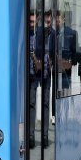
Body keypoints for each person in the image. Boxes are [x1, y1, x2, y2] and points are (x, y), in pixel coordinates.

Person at [29, 11, 55, 148]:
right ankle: (31, 136)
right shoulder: (28, 34)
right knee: (31, 103)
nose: (32, 25)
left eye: (34, 22)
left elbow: (53, 52)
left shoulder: (48, 34)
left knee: (45, 103)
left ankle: (44, 136)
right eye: (31, 22)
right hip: (32, 74)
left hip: (46, 73)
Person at [56, 12, 78, 92]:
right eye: (56, 18)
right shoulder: (54, 32)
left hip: (66, 65)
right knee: (57, 89)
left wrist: (71, 61)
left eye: (59, 18)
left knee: (66, 89)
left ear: (63, 20)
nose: (57, 20)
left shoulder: (71, 32)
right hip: (57, 66)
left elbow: (74, 50)